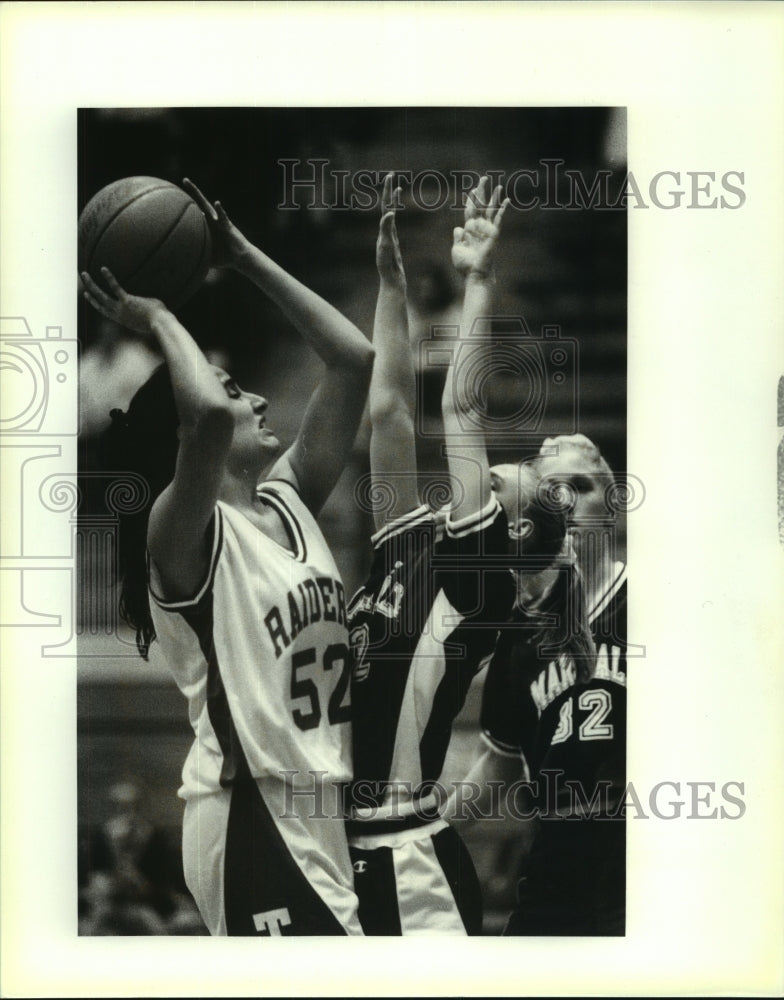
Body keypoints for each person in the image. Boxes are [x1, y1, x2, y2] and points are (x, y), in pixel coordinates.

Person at [80, 178, 374, 936]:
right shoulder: (179, 534)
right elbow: (207, 414)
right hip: (249, 810)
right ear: (185, 440)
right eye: (241, 391)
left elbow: (353, 359)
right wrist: (156, 316)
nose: (261, 402)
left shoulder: (285, 503)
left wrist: (244, 257)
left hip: (316, 806)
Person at [345, 176, 569, 935]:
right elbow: (389, 413)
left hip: (405, 854)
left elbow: (460, 407)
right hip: (337, 845)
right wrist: (389, 290)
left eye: (499, 482)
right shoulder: (414, 546)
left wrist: (479, 282)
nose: (479, 475)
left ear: (508, 535)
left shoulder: (479, 586)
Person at [470, 434, 628, 935]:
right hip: (555, 878)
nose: (566, 503)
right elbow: (496, 766)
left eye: (580, 487)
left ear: (613, 505)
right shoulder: (522, 635)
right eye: (551, 492)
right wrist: (415, 829)